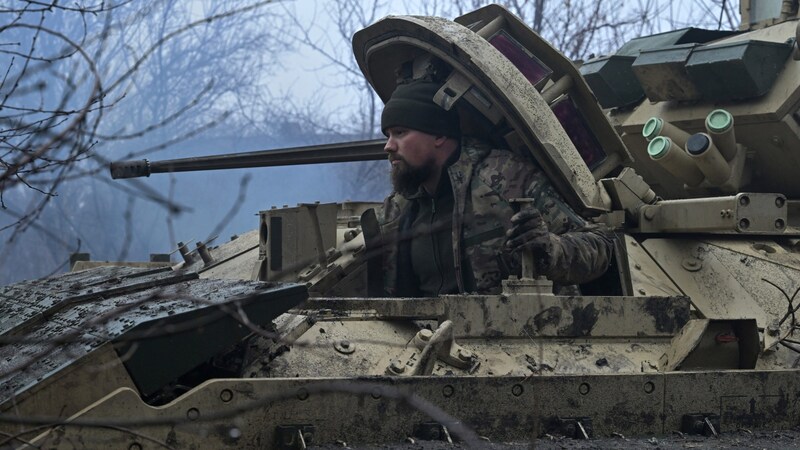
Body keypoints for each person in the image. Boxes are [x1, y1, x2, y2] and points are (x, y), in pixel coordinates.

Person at [377, 79, 613, 297]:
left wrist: (550, 249)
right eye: (388, 135)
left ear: (439, 134)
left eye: (400, 133)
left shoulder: (507, 177)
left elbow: (599, 246)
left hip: (522, 337)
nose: (389, 146)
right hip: (427, 339)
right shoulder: (398, 209)